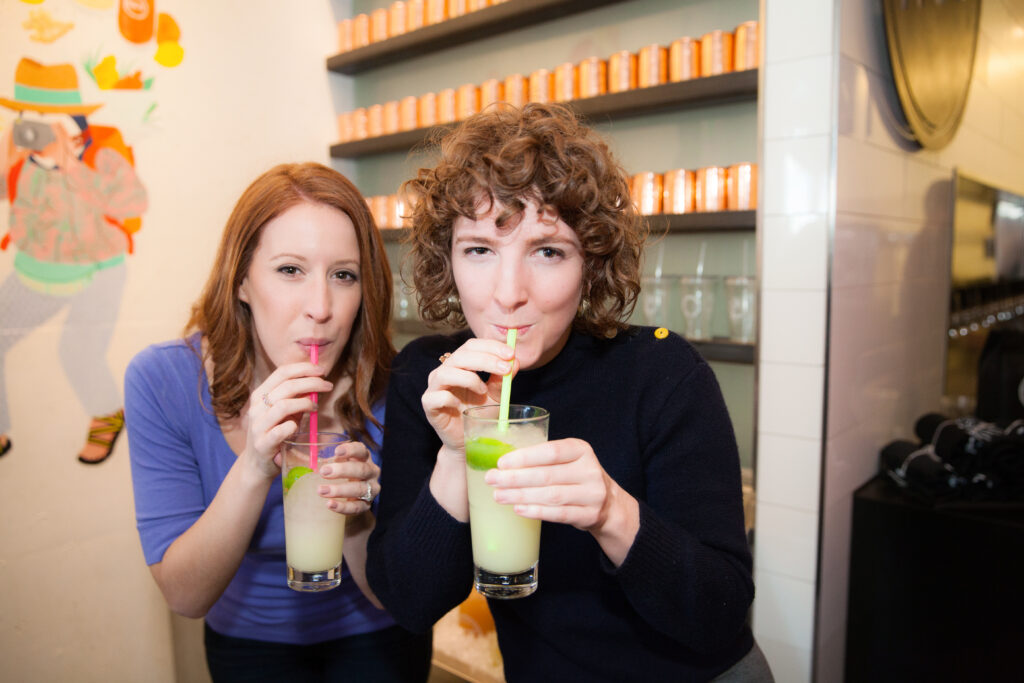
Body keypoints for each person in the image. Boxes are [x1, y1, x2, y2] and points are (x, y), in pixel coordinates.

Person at [366, 104, 772, 681]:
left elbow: (720, 611)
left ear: (591, 265)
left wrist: (612, 512)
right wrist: (456, 457)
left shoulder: (661, 372)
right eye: (480, 249)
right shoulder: (429, 379)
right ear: (447, 262)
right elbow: (408, 603)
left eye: (548, 250)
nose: (509, 294)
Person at [124, 163, 432, 682]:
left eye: (344, 275)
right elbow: (184, 594)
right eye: (290, 270)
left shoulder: (397, 384)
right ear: (242, 280)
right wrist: (254, 464)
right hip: (246, 643)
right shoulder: (163, 379)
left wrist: (353, 512)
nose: (321, 307)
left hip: (379, 639)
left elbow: (395, 597)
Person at [0, 58, 148, 463]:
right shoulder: (25, 165)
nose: (37, 133)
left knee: (76, 349)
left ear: (71, 121)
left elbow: (135, 201)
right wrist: (8, 157)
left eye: (47, 123)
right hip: (40, 272)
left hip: (98, 272)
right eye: (29, 120)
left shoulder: (100, 156)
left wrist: (71, 166)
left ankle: (107, 414)